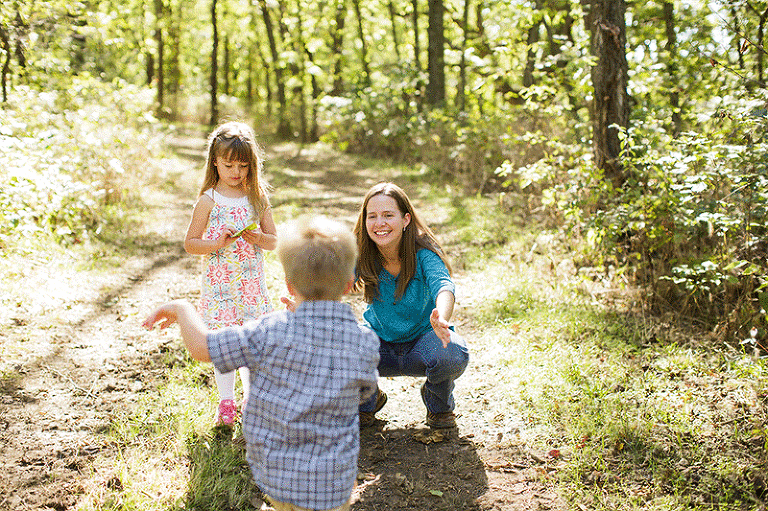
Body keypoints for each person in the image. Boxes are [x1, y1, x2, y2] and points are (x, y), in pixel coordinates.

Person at [144, 216, 380, 511]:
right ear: (348, 285)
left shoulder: (268, 332)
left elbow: (202, 348)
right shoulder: (364, 341)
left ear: (289, 285)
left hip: (279, 477)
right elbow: (366, 392)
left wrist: (182, 308)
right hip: (333, 483)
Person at [354, 182, 470, 429]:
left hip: (422, 345)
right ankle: (367, 401)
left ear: (406, 219)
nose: (379, 223)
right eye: (372, 216)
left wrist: (442, 319)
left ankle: (438, 406)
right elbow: (336, 285)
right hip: (379, 347)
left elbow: (444, 286)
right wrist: (306, 302)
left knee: (451, 351)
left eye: (388, 215)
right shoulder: (361, 254)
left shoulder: (424, 254)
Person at [183, 121, 277, 426]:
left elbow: (275, 240)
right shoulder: (208, 200)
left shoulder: (257, 198)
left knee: (251, 343)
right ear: (215, 162)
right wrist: (215, 243)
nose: (236, 172)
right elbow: (190, 243)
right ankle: (226, 401)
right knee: (223, 344)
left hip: (250, 284)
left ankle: (251, 399)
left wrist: (258, 239)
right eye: (229, 165)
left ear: (252, 165)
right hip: (221, 286)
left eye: (243, 165)